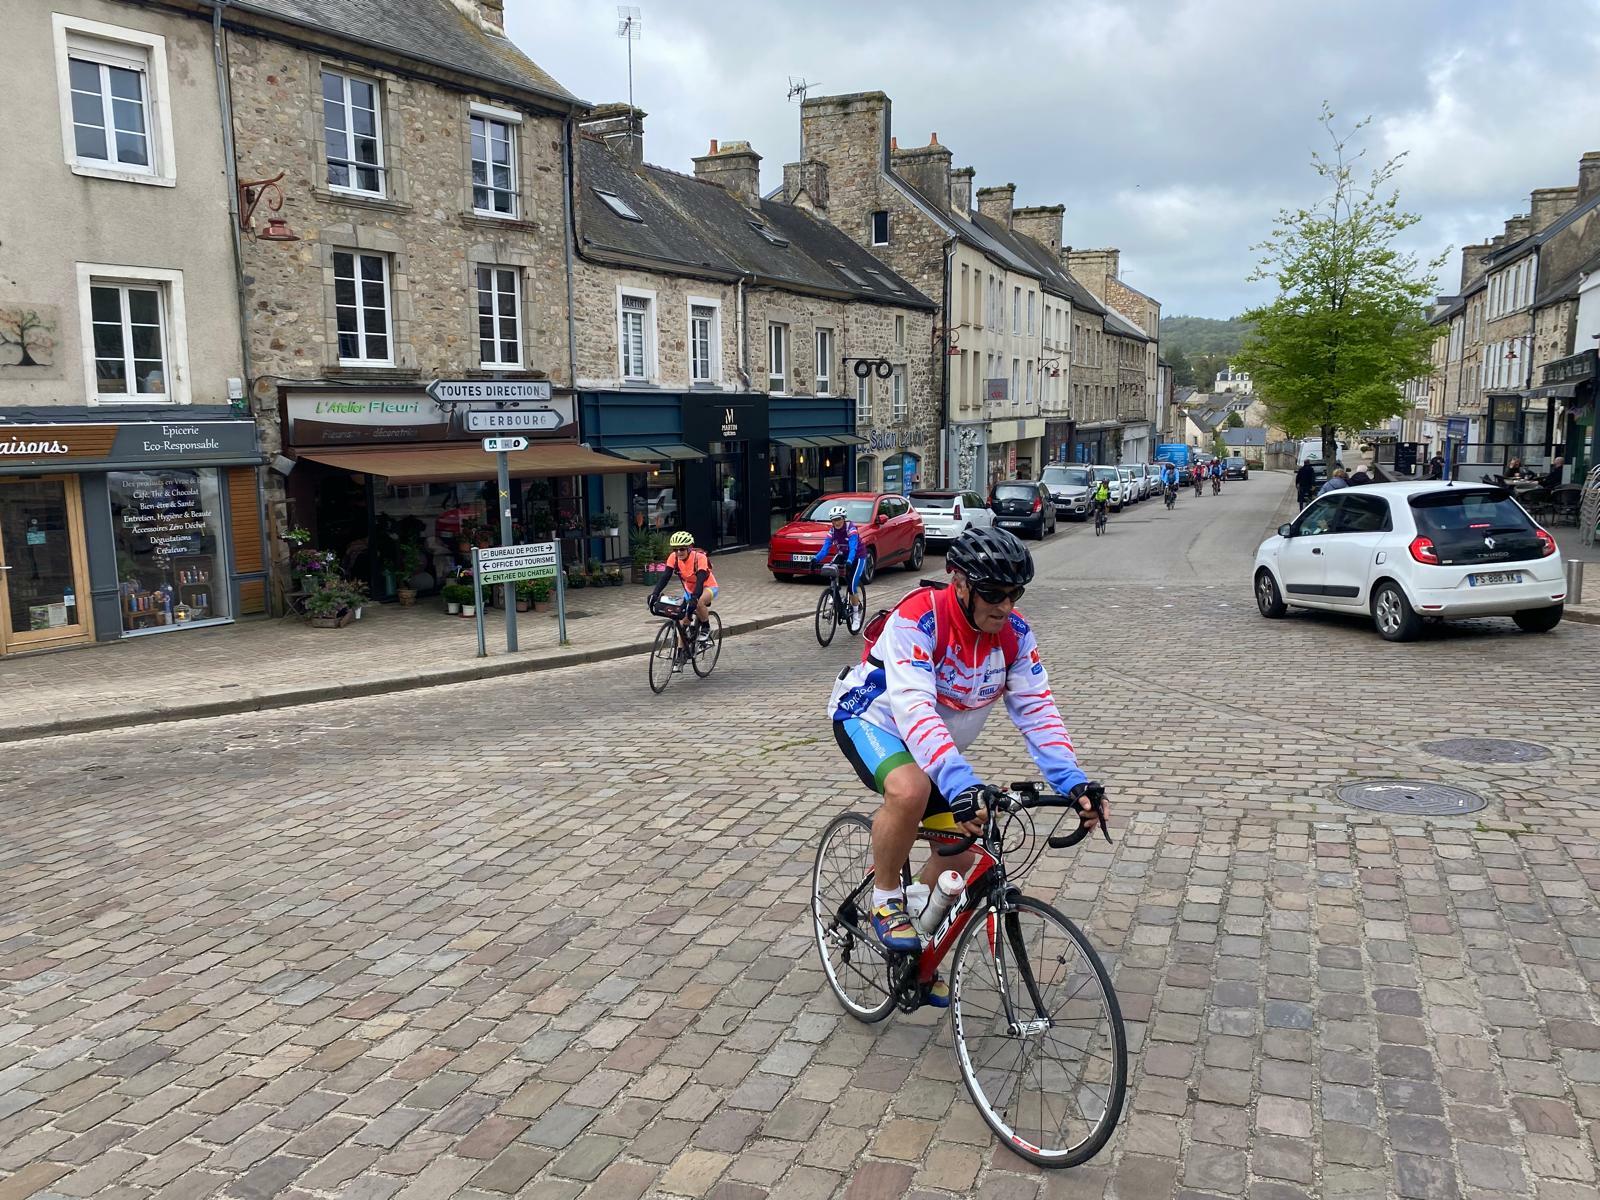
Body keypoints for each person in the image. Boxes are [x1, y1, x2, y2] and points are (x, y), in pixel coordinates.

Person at [829, 526, 1105, 1005]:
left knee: (959, 853)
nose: (1005, 605)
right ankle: (885, 900)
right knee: (910, 790)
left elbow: (1037, 710)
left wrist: (1072, 781)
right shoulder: (918, 618)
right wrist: (960, 783)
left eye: (1015, 593)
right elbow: (914, 708)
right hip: (872, 720)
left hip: (933, 748)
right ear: (959, 583)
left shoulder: (1013, 636)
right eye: (994, 593)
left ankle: (914, 947)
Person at [649, 530, 717, 663]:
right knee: (682, 621)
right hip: (689, 590)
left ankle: (706, 627)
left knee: (699, 603)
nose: (678, 552)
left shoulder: (699, 558)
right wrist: (654, 594)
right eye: (675, 549)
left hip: (707, 586)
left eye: (682, 549)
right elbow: (665, 577)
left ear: (689, 548)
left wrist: (695, 598)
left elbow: (700, 580)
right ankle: (680, 654)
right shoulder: (673, 557)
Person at [813, 504, 866, 619]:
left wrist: (850, 561)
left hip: (858, 557)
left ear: (844, 518)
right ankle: (835, 594)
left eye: (838, 519)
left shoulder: (851, 529)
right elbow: (825, 549)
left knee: (852, 586)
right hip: (843, 555)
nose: (836, 522)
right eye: (833, 520)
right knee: (830, 569)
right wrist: (815, 559)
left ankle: (856, 615)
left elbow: (853, 548)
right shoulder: (832, 532)